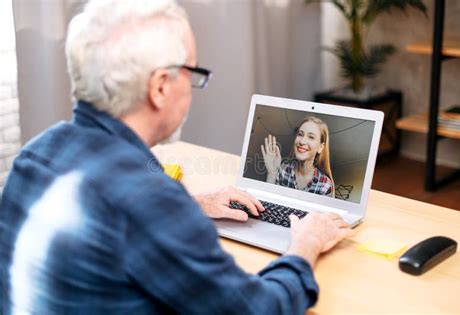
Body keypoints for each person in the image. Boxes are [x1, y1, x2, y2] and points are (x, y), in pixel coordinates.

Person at [0, 1, 352, 314]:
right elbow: (260, 307)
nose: (194, 88)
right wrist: (307, 241)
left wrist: (194, 204)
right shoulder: (147, 200)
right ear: (160, 87)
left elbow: (107, 220)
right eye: (192, 73)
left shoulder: (36, 154)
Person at [261, 116, 335, 196]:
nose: (302, 141)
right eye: (300, 134)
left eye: (311, 137)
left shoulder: (325, 185)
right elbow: (269, 201)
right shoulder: (283, 170)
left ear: (320, 147)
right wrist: (272, 173)